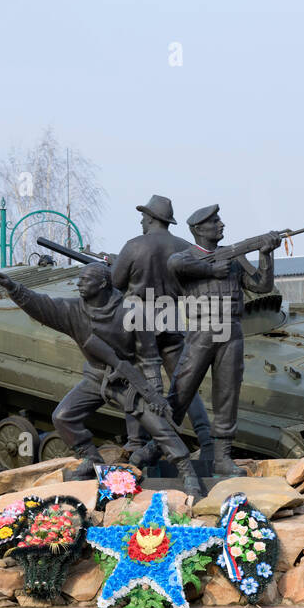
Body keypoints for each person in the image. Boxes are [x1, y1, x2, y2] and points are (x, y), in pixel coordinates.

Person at [0, 263, 203, 498]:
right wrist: (13, 288)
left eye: (85, 280)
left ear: (102, 284)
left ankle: (187, 472)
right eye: (79, 279)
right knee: (63, 416)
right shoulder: (73, 310)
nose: (79, 283)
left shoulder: (133, 312)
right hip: (96, 376)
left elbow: (149, 359)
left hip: (128, 381)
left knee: (159, 426)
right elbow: (42, 305)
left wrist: (154, 394)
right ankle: (91, 458)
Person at [166, 205, 280, 476]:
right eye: (214, 221)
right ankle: (157, 445)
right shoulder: (185, 258)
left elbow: (262, 286)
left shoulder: (234, 258)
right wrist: (212, 270)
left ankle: (222, 458)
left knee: (227, 393)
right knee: (182, 389)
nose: (221, 224)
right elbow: (175, 265)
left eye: (219, 220)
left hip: (231, 329)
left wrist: (266, 254)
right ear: (198, 229)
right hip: (203, 329)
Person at [109, 195, 213, 465]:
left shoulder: (133, 246)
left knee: (136, 381)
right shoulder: (185, 247)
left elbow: (115, 282)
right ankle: (206, 438)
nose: (141, 221)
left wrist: (115, 267)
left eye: (144, 216)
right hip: (171, 320)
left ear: (153, 218)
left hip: (138, 321)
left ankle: (135, 444)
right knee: (184, 385)